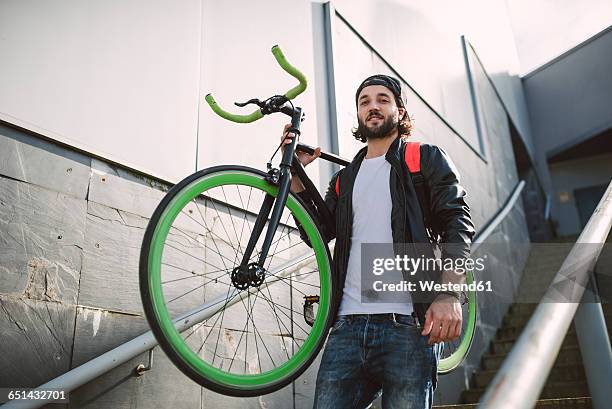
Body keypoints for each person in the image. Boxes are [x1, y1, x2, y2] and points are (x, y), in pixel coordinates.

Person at [281, 75, 475, 409]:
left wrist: (448, 293)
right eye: (364, 101)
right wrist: (297, 175)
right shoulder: (344, 179)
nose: (373, 106)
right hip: (346, 328)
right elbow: (317, 233)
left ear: (400, 111)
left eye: (383, 99)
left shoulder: (424, 158)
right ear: (358, 115)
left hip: (410, 328)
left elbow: (457, 223)